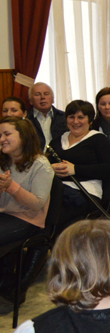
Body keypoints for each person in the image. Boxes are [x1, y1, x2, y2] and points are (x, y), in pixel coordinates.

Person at [0, 117, 54, 297]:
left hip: (27, 219)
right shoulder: (3, 161)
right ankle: (6, 283)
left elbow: (37, 203)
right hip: (5, 215)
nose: (2, 139)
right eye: (0, 135)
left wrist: (10, 186)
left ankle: (10, 285)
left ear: (23, 136)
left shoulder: (41, 165)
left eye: (7, 134)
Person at [51, 100, 110, 225]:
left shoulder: (99, 140)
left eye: (81, 117)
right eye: (71, 117)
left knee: (54, 210)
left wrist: (75, 169)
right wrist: (51, 168)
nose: (75, 122)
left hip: (86, 192)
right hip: (57, 190)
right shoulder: (56, 142)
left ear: (90, 121)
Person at [28, 82, 67, 150]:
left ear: (53, 99)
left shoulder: (64, 117)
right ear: (30, 101)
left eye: (46, 94)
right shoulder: (26, 119)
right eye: (38, 94)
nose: (43, 97)